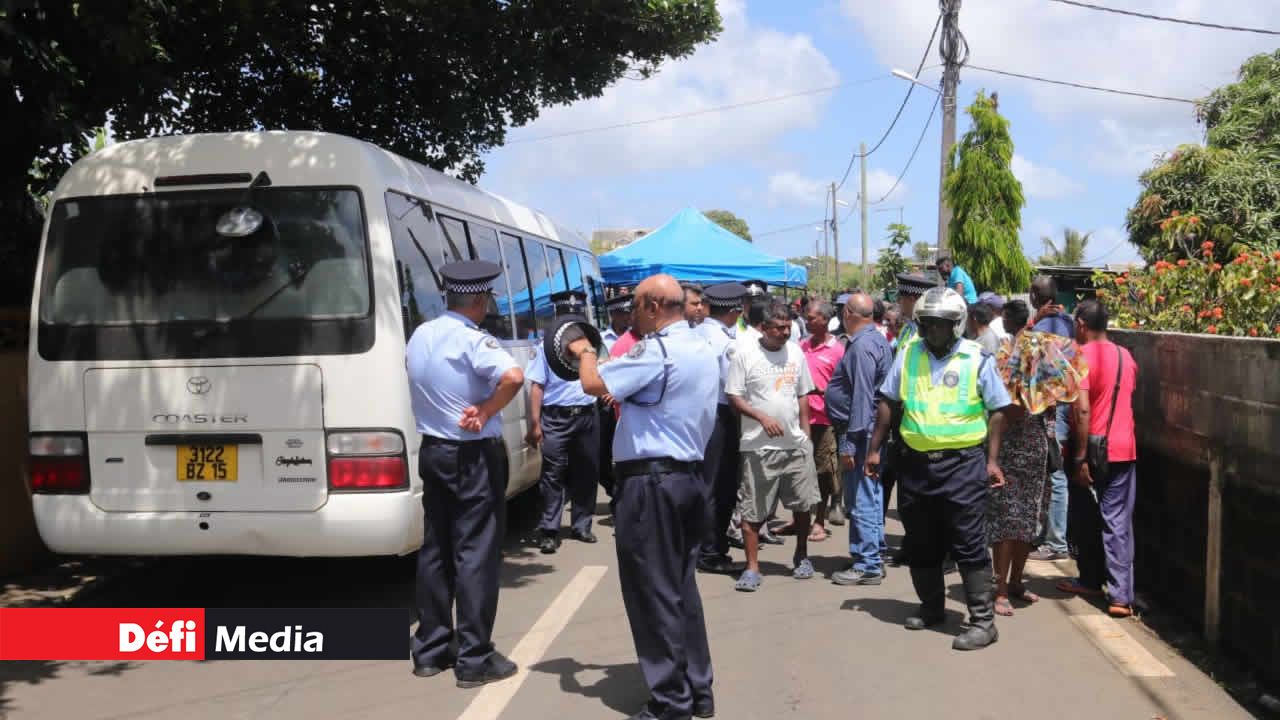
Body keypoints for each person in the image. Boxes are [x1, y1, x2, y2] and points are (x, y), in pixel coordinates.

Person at [568, 273, 718, 720]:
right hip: (688, 478)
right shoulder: (703, 347)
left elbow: (593, 385)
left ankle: (670, 702)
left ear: (654, 305)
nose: (630, 315)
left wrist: (584, 352)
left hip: (651, 483)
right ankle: (697, 689)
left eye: (634, 305)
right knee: (681, 589)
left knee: (652, 593)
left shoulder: (657, 351)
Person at [866, 287, 1012, 651]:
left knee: (968, 543)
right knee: (921, 542)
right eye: (927, 325)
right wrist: (874, 449)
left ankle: (982, 622)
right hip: (915, 466)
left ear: (958, 325)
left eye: (941, 326)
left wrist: (992, 461)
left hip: (963, 466)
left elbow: (998, 410)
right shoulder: (908, 353)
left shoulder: (976, 357)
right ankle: (932, 607)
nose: (933, 332)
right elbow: (889, 402)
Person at [407, 260, 524, 686]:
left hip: (433, 450)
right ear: (478, 300)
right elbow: (513, 376)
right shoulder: (475, 340)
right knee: (476, 553)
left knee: (436, 549)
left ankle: (431, 649)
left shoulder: (422, 333)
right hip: (472, 454)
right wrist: (487, 410)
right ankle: (474, 658)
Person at [986, 300, 1087, 617]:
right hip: (1012, 457)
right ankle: (999, 589)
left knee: (1028, 523)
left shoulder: (1043, 370)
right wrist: (992, 460)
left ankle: (1015, 582)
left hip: (1038, 457)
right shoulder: (1008, 367)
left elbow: (1062, 399)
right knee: (1007, 525)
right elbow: (1002, 415)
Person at [727, 299, 820, 591]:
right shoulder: (744, 354)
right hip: (757, 448)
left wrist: (805, 434)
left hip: (795, 446)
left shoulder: (796, 352)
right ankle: (752, 568)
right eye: (778, 328)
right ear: (763, 328)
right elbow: (734, 397)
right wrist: (760, 416)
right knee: (753, 511)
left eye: (788, 327)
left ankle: (802, 555)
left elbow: (803, 393)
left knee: (803, 505)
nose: (784, 333)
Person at [1060, 300, 1140, 619]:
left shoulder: (1080, 358)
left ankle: (1100, 585)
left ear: (1081, 324)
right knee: (1116, 520)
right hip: (1125, 447)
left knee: (1086, 516)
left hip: (1092, 448)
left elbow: (1081, 409)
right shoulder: (1127, 356)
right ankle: (1117, 592)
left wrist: (1079, 458)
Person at [825, 292, 894, 585]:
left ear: (850, 313)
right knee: (871, 494)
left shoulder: (863, 346)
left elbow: (863, 399)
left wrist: (851, 444)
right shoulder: (875, 340)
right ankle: (873, 553)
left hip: (861, 433)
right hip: (867, 432)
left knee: (862, 497)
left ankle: (867, 564)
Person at [526, 290, 602, 554]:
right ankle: (549, 530)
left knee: (587, 471)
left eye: (576, 315)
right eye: (566, 315)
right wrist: (534, 424)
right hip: (556, 417)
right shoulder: (544, 348)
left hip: (586, 415)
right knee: (552, 475)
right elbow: (536, 387)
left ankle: (582, 525)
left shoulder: (591, 348)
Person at [696, 282, 749, 575]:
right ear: (734, 311)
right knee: (720, 486)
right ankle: (711, 550)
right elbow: (734, 389)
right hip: (721, 414)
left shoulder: (697, 333)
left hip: (697, 415)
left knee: (704, 483)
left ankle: (705, 547)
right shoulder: (727, 343)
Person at [1028, 275, 1076, 563]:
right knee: (1054, 471)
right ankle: (1050, 535)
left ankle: (1056, 542)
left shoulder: (1044, 326)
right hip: (1065, 402)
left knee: (1055, 474)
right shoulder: (1067, 320)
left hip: (1051, 405)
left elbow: (1031, 365)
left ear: (1035, 295)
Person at [800, 300, 846, 539]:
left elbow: (844, 386)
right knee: (800, 472)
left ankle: (819, 520)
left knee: (823, 472)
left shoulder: (838, 350)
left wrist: (821, 390)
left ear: (825, 320)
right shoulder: (801, 346)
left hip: (824, 421)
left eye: (812, 318)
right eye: (806, 317)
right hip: (800, 419)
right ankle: (800, 520)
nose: (807, 321)